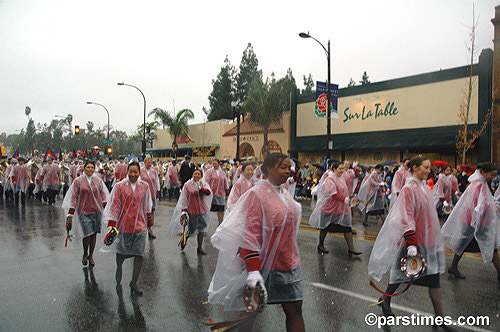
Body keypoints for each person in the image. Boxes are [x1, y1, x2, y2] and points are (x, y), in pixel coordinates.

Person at [208, 153, 305, 332]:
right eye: (282, 167)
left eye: (288, 167)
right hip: (262, 267)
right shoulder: (257, 195)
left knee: (294, 309)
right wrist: (253, 270)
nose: (287, 171)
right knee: (250, 313)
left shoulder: (284, 193)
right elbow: (249, 234)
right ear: (269, 169)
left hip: (289, 264)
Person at [368, 157, 451, 330]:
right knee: (400, 276)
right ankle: (385, 299)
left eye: (429, 168)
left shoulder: (423, 187)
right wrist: (411, 242)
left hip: (427, 241)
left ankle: (440, 318)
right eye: (425, 167)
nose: (429, 171)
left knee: (433, 280)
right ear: (415, 168)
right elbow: (406, 217)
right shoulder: (408, 189)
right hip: (412, 242)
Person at [442, 163, 500, 282]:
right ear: (483, 172)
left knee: (465, 244)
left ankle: (453, 267)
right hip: (475, 222)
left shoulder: (479, 183)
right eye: (491, 175)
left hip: (475, 221)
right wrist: (493, 209)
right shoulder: (478, 185)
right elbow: (479, 205)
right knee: (490, 245)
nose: (493, 178)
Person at [103, 161, 153, 296]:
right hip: (124, 226)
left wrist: (149, 218)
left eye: (135, 172)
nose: (133, 174)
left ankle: (134, 282)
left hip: (140, 226)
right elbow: (115, 205)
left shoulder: (144, 186)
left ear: (139, 173)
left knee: (140, 254)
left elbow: (147, 203)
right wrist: (112, 225)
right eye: (130, 171)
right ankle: (119, 267)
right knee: (121, 253)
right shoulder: (119, 186)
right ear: (127, 172)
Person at [309, 161, 361, 256]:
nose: (342, 170)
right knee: (324, 228)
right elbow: (332, 192)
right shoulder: (330, 179)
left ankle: (351, 248)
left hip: (341, 208)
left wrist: (349, 198)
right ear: (334, 169)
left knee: (347, 227)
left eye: (343, 168)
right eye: (340, 168)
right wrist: (343, 199)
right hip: (330, 208)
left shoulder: (341, 178)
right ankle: (320, 245)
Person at [63, 161, 109, 267]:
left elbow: (103, 195)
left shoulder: (98, 181)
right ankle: (85, 254)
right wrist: (71, 211)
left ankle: (91, 255)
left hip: (96, 211)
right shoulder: (78, 181)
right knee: (87, 234)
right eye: (88, 167)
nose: (90, 169)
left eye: (92, 167)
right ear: (84, 169)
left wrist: (107, 208)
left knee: (94, 234)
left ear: (94, 169)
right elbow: (74, 196)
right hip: (83, 212)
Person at [168, 169, 212, 254]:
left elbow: (208, 192)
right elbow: (184, 197)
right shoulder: (187, 185)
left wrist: (202, 189)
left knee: (202, 229)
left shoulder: (203, 184)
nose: (197, 175)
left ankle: (199, 247)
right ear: (192, 175)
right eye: (195, 173)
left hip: (202, 210)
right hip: (192, 211)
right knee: (192, 230)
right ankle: (184, 239)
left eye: (199, 174)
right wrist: (184, 209)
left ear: (201, 176)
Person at [204, 159, 229, 225]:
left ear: (219, 164)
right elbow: (205, 182)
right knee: (208, 209)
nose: (214, 165)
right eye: (213, 164)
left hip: (221, 194)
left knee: (221, 210)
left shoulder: (222, 172)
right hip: (211, 194)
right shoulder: (209, 172)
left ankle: (220, 224)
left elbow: (225, 182)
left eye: (215, 163)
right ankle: (205, 225)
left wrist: (227, 191)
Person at [140, 157, 160, 239]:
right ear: (144, 163)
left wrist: (158, 191)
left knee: (151, 211)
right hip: (143, 195)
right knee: (143, 211)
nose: (149, 164)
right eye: (147, 162)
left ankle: (150, 229)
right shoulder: (141, 171)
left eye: (150, 162)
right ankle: (142, 229)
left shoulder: (154, 171)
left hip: (152, 194)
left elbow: (156, 181)